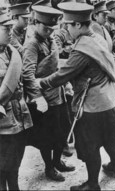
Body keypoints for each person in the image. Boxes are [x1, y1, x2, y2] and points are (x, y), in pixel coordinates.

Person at [37, 1, 115, 190]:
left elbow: (63, 75)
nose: (65, 28)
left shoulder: (82, 48)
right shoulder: (96, 38)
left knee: (90, 145)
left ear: (78, 25)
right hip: (111, 98)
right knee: (109, 137)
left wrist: (41, 82)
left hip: (94, 104)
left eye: (68, 25)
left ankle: (92, 184)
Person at [22, 5, 75, 182]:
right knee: (47, 136)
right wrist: (37, 97)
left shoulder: (50, 40)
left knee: (62, 130)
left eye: (51, 28)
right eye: (45, 28)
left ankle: (57, 160)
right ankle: (49, 168)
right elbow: (28, 74)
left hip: (58, 93)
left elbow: (57, 65)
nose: (48, 32)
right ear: (36, 23)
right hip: (44, 98)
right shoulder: (32, 44)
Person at [0, 9, 32, 191]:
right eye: (5, 28)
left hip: (18, 115)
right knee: (2, 165)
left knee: (15, 160)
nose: (10, 31)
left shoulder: (11, 52)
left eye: (11, 27)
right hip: (2, 120)